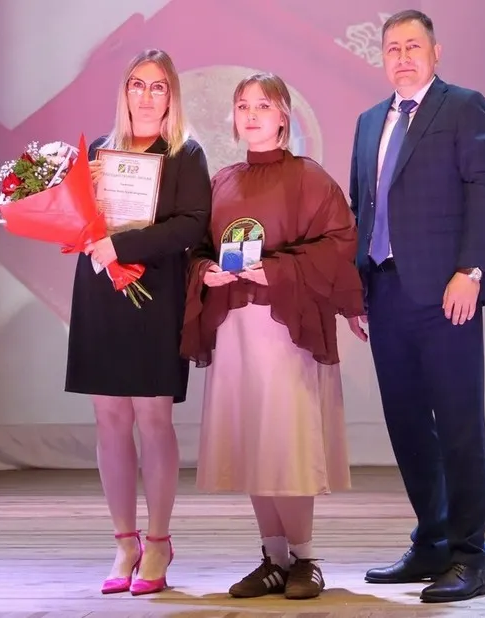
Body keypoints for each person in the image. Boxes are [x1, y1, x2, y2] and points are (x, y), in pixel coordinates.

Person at [180, 72, 364, 600]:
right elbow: (198, 250)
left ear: (285, 114)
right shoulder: (222, 182)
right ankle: (274, 558)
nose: (252, 114)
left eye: (263, 105)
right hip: (235, 331)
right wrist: (206, 272)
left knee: (287, 442)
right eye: (243, 106)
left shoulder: (310, 178)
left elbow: (339, 242)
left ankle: (306, 559)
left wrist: (277, 271)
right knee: (253, 442)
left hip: (287, 331)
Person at [346, 10, 485, 604]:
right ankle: (433, 542)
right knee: (408, 425)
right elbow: (361, 208)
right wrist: (355, 288)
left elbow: (484, 188)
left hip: (447, 293)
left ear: (436, 53)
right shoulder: (369, 121)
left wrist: (471, 270)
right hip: (384, 291)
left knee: (459, 426)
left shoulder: (462, 107)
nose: (403, 57)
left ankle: (470, 557)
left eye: (414, 46)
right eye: (393, 48)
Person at [65, 48, 212, 596]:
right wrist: (80, 226)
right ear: (124, 93)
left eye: (157, 87)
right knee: (109, 418)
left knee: (153, 418)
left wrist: (120, 245)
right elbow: (81, 222)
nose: (146, 96)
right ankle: (123, 542)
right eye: (137, 85)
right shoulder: (99, 153)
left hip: (157, 297)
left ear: (171, 96)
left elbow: (192, 226)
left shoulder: (186, 153)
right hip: (101, 292)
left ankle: (158, 542)